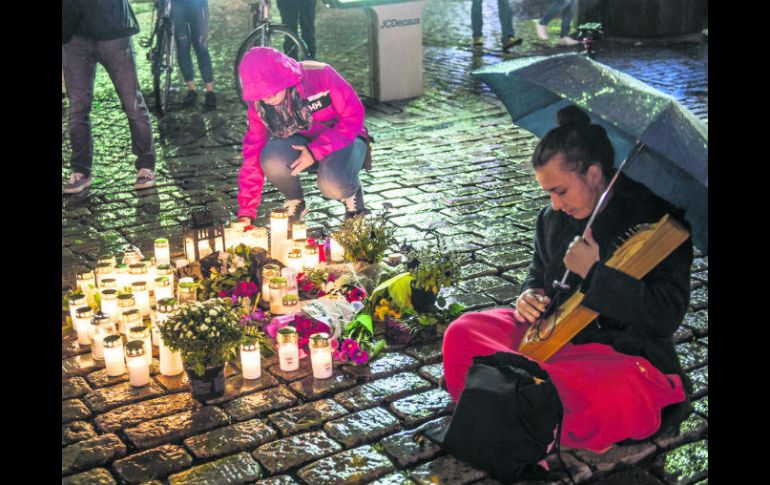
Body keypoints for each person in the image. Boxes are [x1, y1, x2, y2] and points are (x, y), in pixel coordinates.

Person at [442, 106, 693, 452]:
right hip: (551, 339)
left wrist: (595, 274)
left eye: (560, 191)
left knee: (610, 394)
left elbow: (666, 315)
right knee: (462, 331)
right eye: (548, 192)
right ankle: (534, 398)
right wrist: (528, 294)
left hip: (617, 355)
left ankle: (512, 392)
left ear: (593, 173)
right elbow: (537, 272)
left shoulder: (657, 221)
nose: (555, 204)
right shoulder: (551, 218)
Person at [236, 47, 369, 225]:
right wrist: (246, 211)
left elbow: (353, 116)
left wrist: (315, 151)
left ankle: (351, 193)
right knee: (271, 159)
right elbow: (253, 151)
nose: (267, 98)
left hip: (345, 138)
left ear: (283, 77)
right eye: (260, 94)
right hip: (302, 142)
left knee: (333, 185)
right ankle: (296, 200)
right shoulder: (259, 105)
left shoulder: (320, 75)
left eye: (271, 90)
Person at [62, 0, 157, 194]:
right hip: (73, 35)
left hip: (113, 31)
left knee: (132, 103)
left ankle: (146, 165)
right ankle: (80, 170)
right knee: (77, 109)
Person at [171, 0, 217, 110]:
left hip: (197, 4)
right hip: (176, 4)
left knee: (201, 45)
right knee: (182, 45)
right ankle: (191, 89)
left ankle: (210, 91)